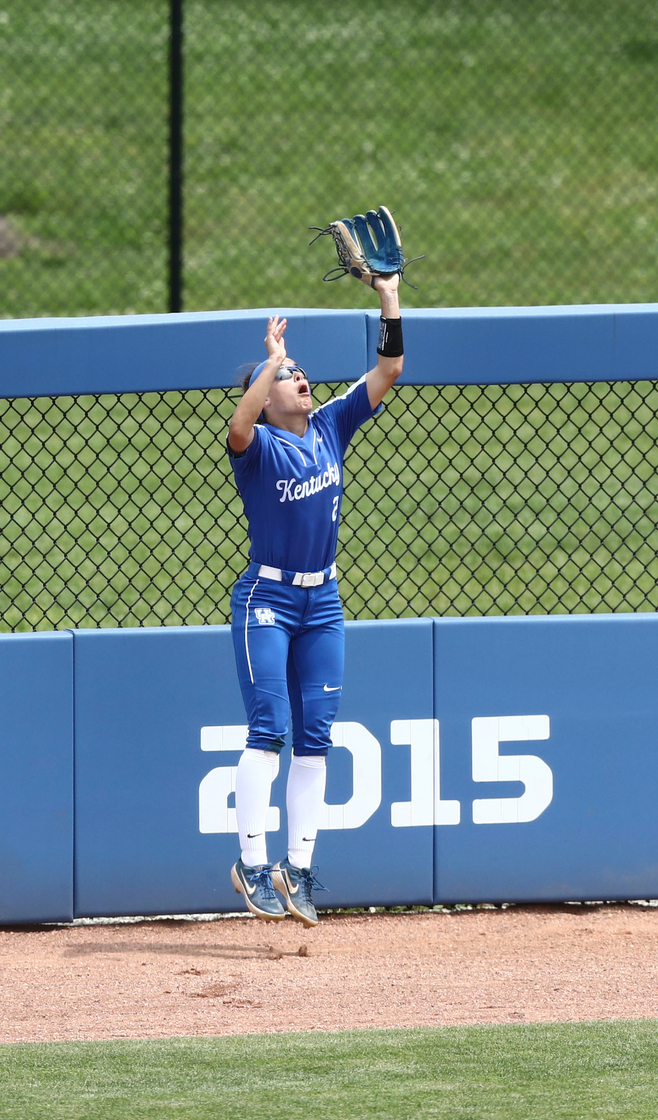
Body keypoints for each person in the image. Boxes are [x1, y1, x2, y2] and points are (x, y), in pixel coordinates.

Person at [226, 276, 404, 927]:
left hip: (322, 603)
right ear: (267, 395)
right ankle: (250, 865)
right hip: (266, 599)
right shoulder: (258, 445)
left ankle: (296, 870)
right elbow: (237, 423)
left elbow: (390, 367)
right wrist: (269, 360)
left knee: (316, 738)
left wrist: (389, 298)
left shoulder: (330, 425)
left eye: (300, 372)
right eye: (287, 377)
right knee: (267, 729)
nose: (300, 381)